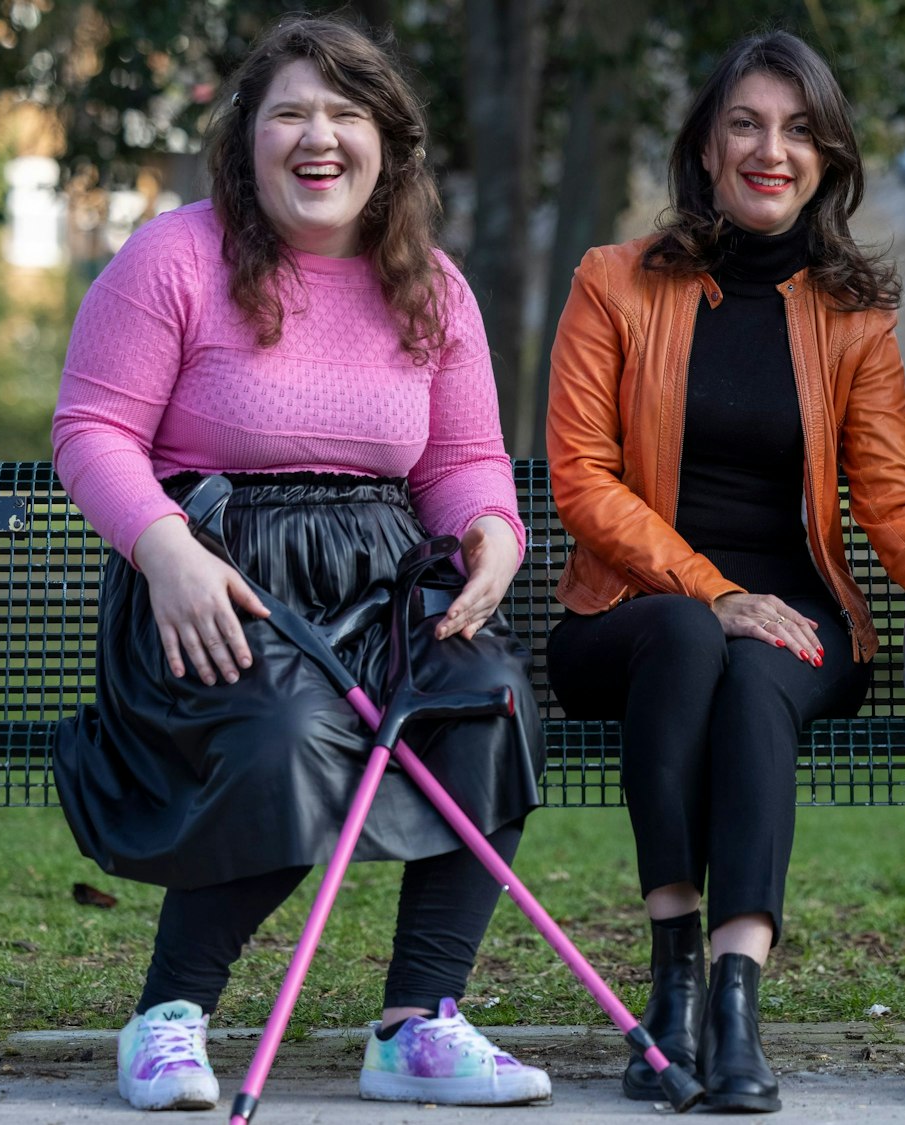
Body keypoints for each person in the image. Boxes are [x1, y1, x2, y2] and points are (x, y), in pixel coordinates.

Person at [48, 16, 552, 1112]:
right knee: (289, 733)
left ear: (387, 143)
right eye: (289, 112)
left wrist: (492, 534)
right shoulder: (173, 257)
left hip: (380, 585)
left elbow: (464, 459)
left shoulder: (433, 286)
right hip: (215, 582)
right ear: (248, 138)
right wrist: (164, 552)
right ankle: (168, 1019)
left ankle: (417, 1025)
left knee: (493, 699)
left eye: (343, 113)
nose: (316, 137)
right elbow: (89, 432)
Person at [545, 30, 905, 1114]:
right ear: (707, 149)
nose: (773, 150)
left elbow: (892, 498)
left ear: (827, 158)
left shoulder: (851, 315)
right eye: (747, 125)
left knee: (763, 666)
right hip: (629, 614)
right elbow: (578, 477)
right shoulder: (612, 284)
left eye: (799, 130)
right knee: (688, 635)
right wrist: (711, 591)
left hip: (799, 622)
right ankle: (670, 980)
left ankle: (732, 994)